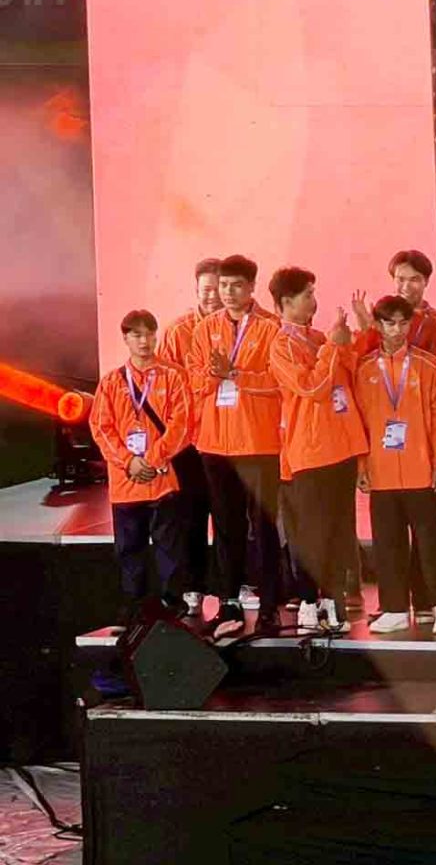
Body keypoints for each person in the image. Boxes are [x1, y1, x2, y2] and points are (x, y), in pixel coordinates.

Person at [182, 254, 286, 639]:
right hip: (215, 444)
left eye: (236, 285)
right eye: (223, 285)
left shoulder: (271, 329)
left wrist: (236, 374)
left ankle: (271, 605)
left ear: (252, 287)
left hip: (258, 444)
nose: (227, 292)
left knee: (264, 526)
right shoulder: (204, 329)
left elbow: (278, 382)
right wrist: (214, 376)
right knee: (225, 527)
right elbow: (194, 383)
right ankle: (228, 604)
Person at [268, 266, 368, 633]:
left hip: (341, 447)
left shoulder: (317, 337)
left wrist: (354, 335)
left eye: (314, 293)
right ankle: (309, 600)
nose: (314, 301)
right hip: (310, 452)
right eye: (307, 295)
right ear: (285, 302)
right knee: (310, 533)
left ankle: (332, 598)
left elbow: (351, 372)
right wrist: (333, 347)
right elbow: (312, 387)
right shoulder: (281, 345)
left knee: (340, 531)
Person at [353, 296, 436, 635]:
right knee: (388, 544)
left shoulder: (427, 365)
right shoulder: (364, 368)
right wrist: (361, 466)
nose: (396, 330)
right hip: (381, 471)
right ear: (378, 325)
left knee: (431, 543)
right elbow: (358, 423)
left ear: (410, 324)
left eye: (402, 323)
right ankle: (395, 607)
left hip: (421, 468)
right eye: (389, 323)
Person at [89, 310, 195, 619]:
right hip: (126, 482)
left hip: (163, 478)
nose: (144, 341)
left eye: (149, 334)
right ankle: (133, 609)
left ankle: (172, 606)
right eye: (137, 335)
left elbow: (183, 425)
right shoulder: (111, 382)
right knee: (129, 549)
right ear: (125, 339)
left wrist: (151, 459)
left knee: (169, 549)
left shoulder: (173, 376)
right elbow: (101, 428)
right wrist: (129, 462)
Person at [158, 259, 221, 614]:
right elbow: (164, 387)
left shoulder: (236, 329)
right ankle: (193, 587)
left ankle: (234, 586)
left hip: (228, 438)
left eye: (218, 288)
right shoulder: (177, 332)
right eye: (206, 289)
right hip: (188, 442)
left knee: (229, 516)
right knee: (191, 516)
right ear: (196, 290)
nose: (213, 296)